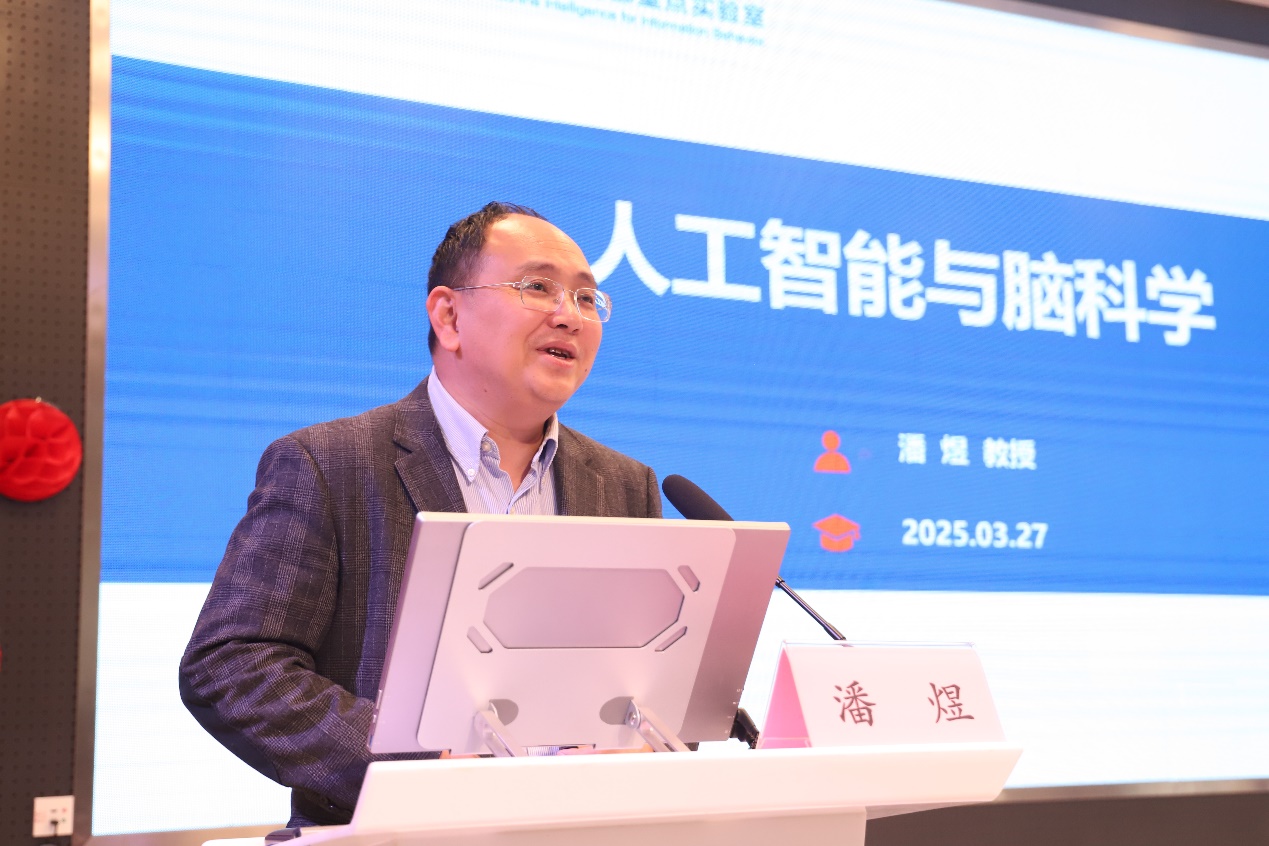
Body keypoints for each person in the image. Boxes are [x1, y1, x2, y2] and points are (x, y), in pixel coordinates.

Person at [179, 202, 662, 828]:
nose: (569, 315)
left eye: (587, 298)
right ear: (449, 316)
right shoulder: (331, 463)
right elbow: (232, 666)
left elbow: (647, 680)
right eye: (538, 287)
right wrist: (422, 762)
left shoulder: (625, 485)